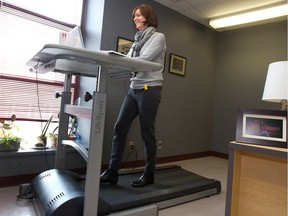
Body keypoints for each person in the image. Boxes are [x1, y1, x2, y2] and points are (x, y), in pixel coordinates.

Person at [100, 4, 166, 187]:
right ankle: (113, 172)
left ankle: (149, 173)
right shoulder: (137, 40)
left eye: (138, 15)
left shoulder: (158, 37)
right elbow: (128, 62)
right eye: (134, 16)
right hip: (133, 88)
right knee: (120, 127)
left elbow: (143, 60)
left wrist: (127, 62)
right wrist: (113, 60)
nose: (135, 18)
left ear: (147, 17)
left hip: (149, 89)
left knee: (147, 133)